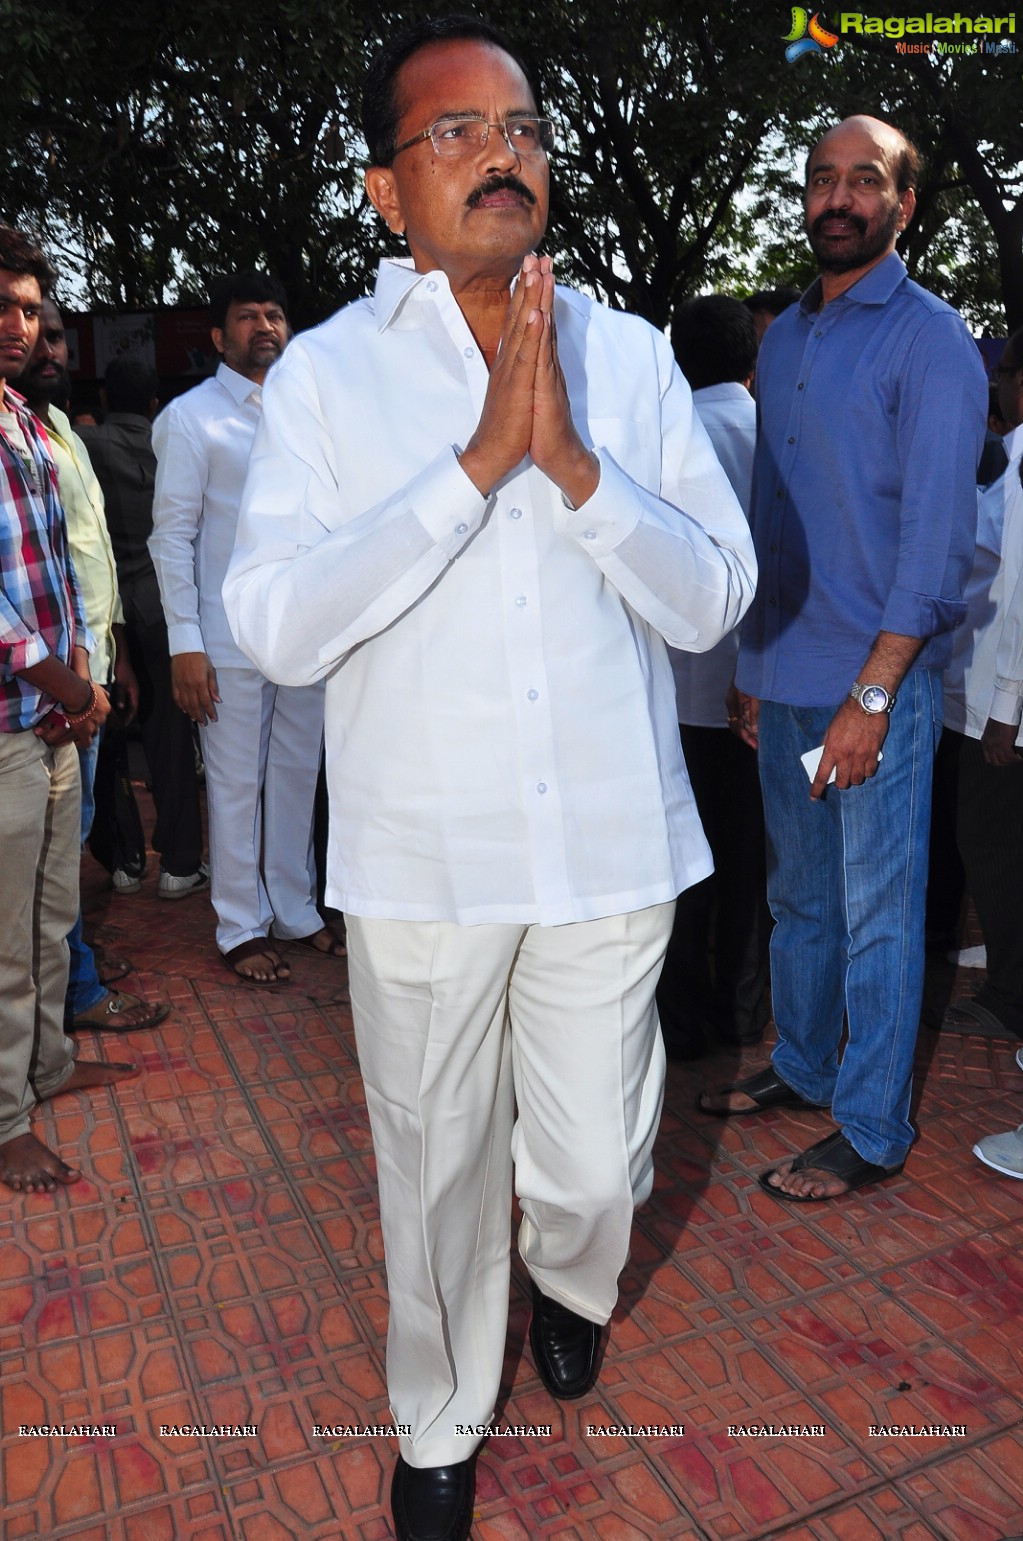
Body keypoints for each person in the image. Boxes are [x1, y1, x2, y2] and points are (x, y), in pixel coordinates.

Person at [224, 17, 756, 1539]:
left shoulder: (630, 356)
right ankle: (439, 1423)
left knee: (591, 1167)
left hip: (605, 846)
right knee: (434, 1169)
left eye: (517, 127)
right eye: (451, 133)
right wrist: (466, 471)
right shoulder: (323, 382)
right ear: (388, 193)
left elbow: (713, 596)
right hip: (422, 862)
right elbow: (269, 621)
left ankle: (573, 1280)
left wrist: (574, 469)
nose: (497, 153)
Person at [699, 117, 988, 1204]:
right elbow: (773, 515)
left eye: (864, 180)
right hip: (788, 674)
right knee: (801, 898)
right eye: (822, 177)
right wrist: (751, 660)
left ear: (904, 205)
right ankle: (807, 1062)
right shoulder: (785, 338)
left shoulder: (932, 341)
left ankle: (869, 1122)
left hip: (879, 687)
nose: (838, 196)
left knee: (879, 910)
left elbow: (935, 545)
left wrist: (872, 694)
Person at [149, 272, 339, 983]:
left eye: (274, 312)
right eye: (247, 315)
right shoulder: (192, 418)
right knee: (233, 785)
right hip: (225, 637)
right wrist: (185, 643)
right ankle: (238, 923)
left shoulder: (304, 414)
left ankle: (295, 908)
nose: (264, 324)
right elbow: (171, 537)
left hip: (302, 630)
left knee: (296, 775)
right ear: (218, 337)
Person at [0, 224, 139, 1193]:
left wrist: (83, 669)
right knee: (6, 937)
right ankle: (6, 1117)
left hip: (55, 709)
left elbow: (56, 562)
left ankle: (46, 1066)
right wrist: (67, 686)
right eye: (3, 305)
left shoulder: (24, 418)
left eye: (29, 306)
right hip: (12, 720)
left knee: (53, 917)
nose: (21, 323)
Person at [18, 300, 170, 1035]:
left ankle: (72, 962)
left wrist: (116, 663)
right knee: (52, 852)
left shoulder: (64, 438)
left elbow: (89, 559)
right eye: (26, 329)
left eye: (50, 333)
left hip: (93, 667)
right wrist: (75, 681)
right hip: (44, 687)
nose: (42, 346)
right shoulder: (27, 434)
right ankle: (74, 990)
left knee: (71, 839)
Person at [657, 295, 771, 1059]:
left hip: (670, 692)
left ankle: (680, 1020)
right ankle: (742, 1014)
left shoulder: (658, 438)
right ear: (751, 361)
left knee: (677, 864)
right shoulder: (777, 436)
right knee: (749, 863)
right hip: (761, 687)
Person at [80, 358, 206, 899]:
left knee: (104, 742)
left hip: (107, 612)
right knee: (170, 738)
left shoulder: (84, 446)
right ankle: (179, 865)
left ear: (106, 396)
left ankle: (126, 862)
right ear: (155, 401)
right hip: (167, 605)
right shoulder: (172, 442)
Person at [942, 328, 1023, 1046]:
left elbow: (1017, 589)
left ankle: (1009, 991)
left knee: (991, 843)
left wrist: (1004, 706)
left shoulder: (1020, 462)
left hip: (1001, 704)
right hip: (997, 694)